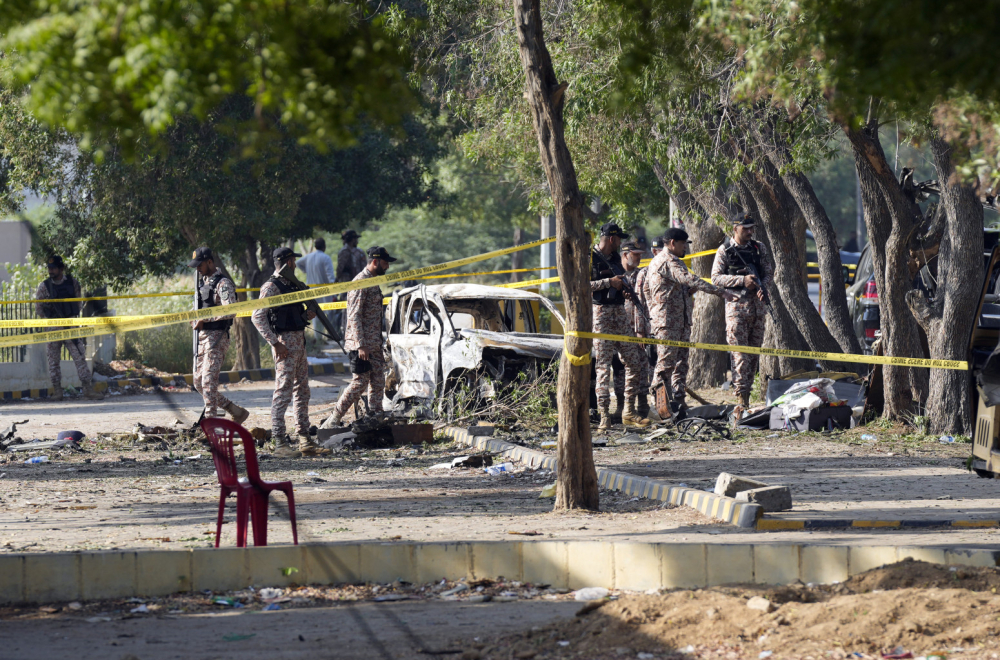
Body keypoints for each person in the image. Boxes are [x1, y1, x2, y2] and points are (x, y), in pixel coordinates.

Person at [252, 247, 329, 458]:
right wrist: (275, 343)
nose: (295, 264)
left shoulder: (292, 285)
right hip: (284, 345)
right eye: (293, 261)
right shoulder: (271, 286)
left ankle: (305, 439)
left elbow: (294, 315)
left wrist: (306, 316)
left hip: (298, 343)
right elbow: (257, 316)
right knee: (283, 393)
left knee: (302, 392)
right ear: (287, 263)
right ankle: (280, 443)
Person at [648, 228, 736, 408]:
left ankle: (678, 401)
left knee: (681, 364)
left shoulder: (673, 261)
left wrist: (687, 291)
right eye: (682, 244)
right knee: (665, 365)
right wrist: (720, 292)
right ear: (672, 243)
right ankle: (659, 406)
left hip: (679, 321)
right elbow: (690, 279)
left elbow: (678, 287)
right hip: (667, 322)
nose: (685, 249)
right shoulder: (668, 261)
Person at [711, 212, 774, 418]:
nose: (750, 232)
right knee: (740, 356)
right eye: (745, 228)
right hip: (737, 311)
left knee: (753, 355)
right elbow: (716, 278)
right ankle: (741, 399)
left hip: (758, 309)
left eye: (751, 228)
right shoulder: (725, 250)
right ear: (735, 228)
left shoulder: (759, 248)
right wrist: (741, 281)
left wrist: (762, 286)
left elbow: (768, 272)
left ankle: (747, 395)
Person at [323, 246, 395, 427]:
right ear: (375, 262)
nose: (387, 267)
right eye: (385, 263)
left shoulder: (373, 281)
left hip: (374, 343)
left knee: (378, 379)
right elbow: (353, 315)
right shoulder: (360, 282)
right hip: (361, 344)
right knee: (360, 382)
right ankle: (334, 418)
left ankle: (376, 416)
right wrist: (361, 345)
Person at [591, 222, 650, 430]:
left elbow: (620, 279)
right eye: (617, 240)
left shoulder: (616, 258)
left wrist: (622, 289)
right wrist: (609, 283)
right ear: (611, 239)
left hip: (619, 313)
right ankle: (604, 414)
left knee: (633, 361)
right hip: (602, 315)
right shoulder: (591, 258)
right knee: (603, 366)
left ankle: (628, 410)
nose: (618, 244)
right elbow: (581, 286)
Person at [188, 247, 248, 424]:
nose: (197, 268)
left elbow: (231, 311)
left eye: (200, 265)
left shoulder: (223, 284)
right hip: (202, 338)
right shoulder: (202, 283)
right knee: (198, 383)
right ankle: (234, 410)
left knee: (208, 383)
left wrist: (204, 319)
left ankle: (211, 426)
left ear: (210, 262)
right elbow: (196, 310)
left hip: (217, 338)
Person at [34, 255, 104, 401]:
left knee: (79, 357)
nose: (51, 271)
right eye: (49, 268)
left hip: (70, 325)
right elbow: (38, 308)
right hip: (53, 327)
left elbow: (78, 304)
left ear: (61, 268)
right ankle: (58, 391)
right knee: (53, 361)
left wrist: (69, 317)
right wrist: (50, 321)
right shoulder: (44, 286)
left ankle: (87, 389)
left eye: (53, 268)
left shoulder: (73, 283)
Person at [620, 241, 652, 418]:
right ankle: (620, 408)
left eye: (640, 254)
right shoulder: (615, 273)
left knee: (641, 367)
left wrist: (641, 330)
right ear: (625, 255)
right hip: (618, 329)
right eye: (636, 255)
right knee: (619, 369)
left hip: (637, 329)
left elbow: (642, 305)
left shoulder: (641, 275)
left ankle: (642, 406)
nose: (640, 258)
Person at [296, 238, 336, 335]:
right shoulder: (326, 258)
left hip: (311, 291)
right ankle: (331, 335)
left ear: (315, 246)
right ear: (324, 246)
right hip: (325, 291)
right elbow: (330, 276)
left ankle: (318, 338)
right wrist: (335, 289)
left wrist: (305, 270)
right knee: (328, 313)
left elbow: (297, 263)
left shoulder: (308, 257)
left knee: (314, 313)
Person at [335, 230, 367, 335]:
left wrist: (337, 280)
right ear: (352, 240)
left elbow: (339, 269)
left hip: (347, 285)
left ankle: (347, 333)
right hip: (357, 285)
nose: (357, 241)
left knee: (347, 310)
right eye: (355, 239)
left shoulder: (345, 251)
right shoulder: (359, 252)